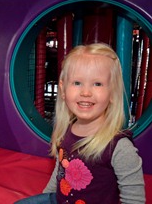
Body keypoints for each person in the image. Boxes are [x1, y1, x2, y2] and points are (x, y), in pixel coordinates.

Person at [15, 43, 145, 204]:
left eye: (97, 84)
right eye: (77, 83)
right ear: (63, 89)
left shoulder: (119, 147)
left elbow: (134, 199)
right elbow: (61, 169)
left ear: (112, 92)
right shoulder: (66, 130)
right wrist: (45, 197)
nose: (85, 92)